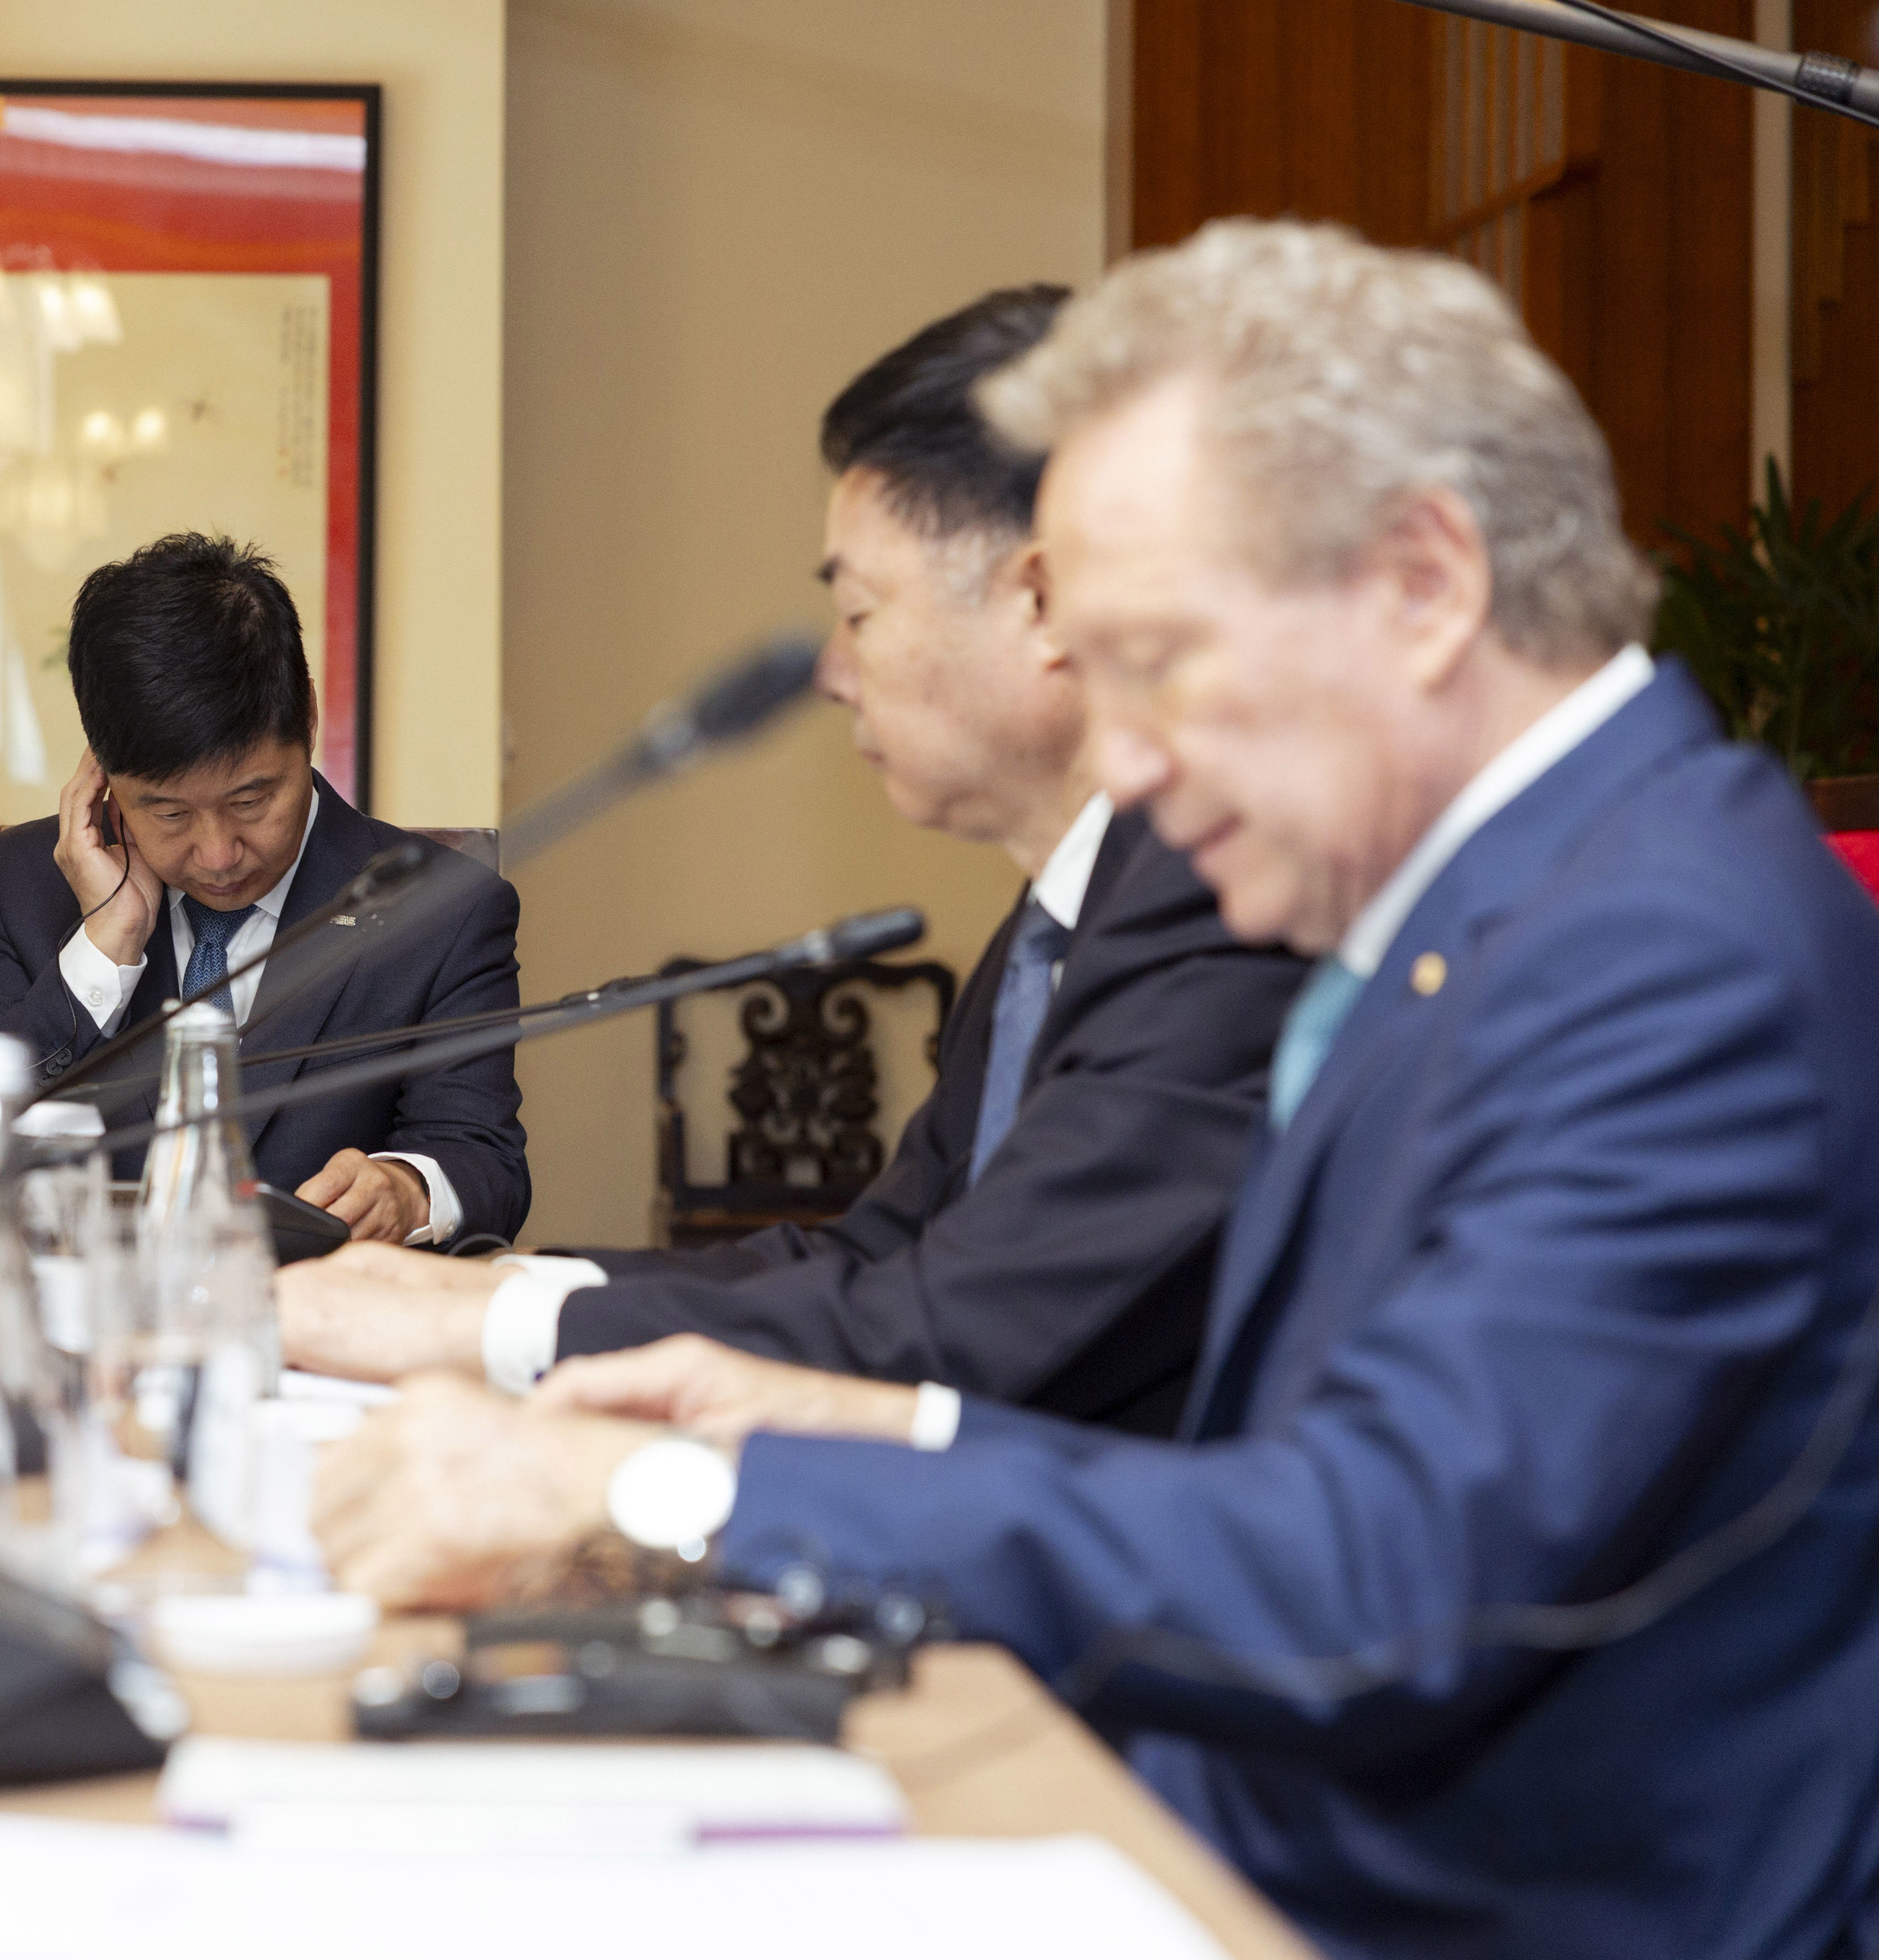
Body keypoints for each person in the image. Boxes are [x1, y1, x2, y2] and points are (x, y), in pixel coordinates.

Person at [311, 222, 1879, 1960]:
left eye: (1159, 661)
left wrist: (661, 1502)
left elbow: (1377, 1578)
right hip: (1233, 1826)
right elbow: (1263, 1472)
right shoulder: (1492, 904)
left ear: (1424, 585)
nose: (1121, 760)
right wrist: (838, 1426)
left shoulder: (1670, 951)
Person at [278, 288, 1303, 1435]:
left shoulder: (1218, 905)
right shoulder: (1053, 922)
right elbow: (875, 1254)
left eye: (860, 613)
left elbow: (956, 1327)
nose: (831, 673)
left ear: (1046, 601)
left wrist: (484, 1332)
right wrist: (495, 1285)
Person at [0, 533, 528, 1246]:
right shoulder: (20, 885)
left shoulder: (443, 907)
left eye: (251, 799)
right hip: (87, 1329)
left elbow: (484, 1160)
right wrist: (101, 950)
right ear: (103, 776)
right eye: (168, 812)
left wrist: (406, 1189)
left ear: (309, 719)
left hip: (323, 1325)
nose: (218, 853)